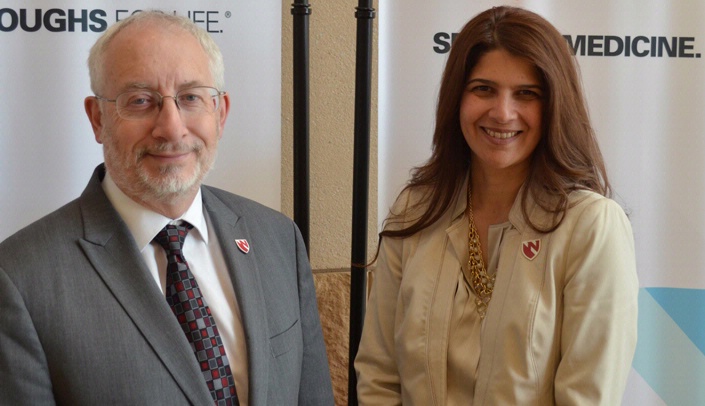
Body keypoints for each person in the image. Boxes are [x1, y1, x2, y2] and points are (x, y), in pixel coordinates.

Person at [0, 10, 333, 406]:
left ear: (220, 113)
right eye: (141, 101)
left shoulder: (278, 239)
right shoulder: (21, 278)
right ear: (98, 118)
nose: (172, 128)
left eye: (191, 98)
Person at [355, 6, 638, 405]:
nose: (502, 112)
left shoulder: (591, 226)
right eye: (483, 89)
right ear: (457, 99)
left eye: (527, 94)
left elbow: (587, 397)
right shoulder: (417, 210)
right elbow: (378, 379)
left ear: (555, 106)